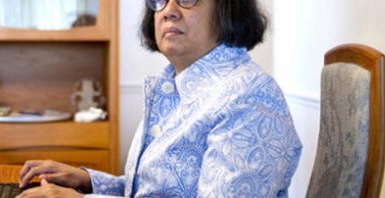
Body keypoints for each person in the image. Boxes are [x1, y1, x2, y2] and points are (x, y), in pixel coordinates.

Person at [16, 0, 302, 197]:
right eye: (159, 0)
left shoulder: (249, 97)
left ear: (228, 8)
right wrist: (88, 181)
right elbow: (157, 190)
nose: (168, 11)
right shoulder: (172, 85)